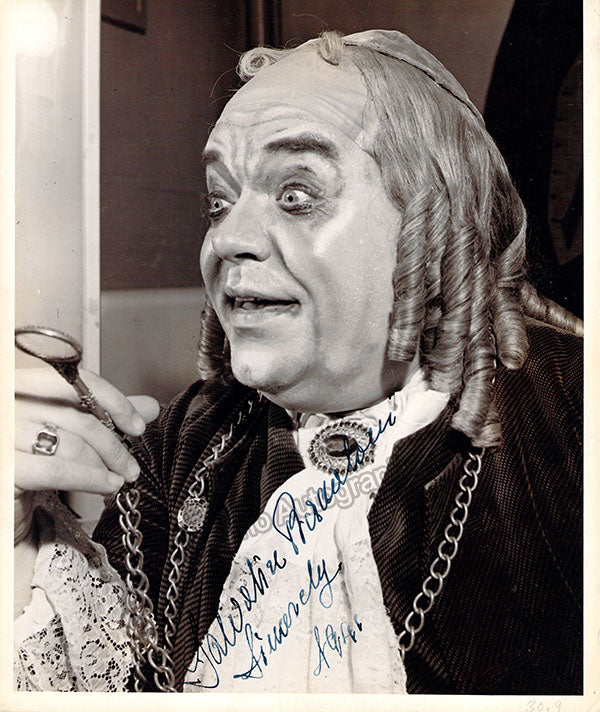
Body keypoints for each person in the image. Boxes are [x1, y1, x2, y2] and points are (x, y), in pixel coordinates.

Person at [14, 29, 582, 694]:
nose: (227, 237)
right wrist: (17, 538)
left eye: (295, 195)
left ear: (437, 225)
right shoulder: (182, 445)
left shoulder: (572, 416)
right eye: (219, 201)